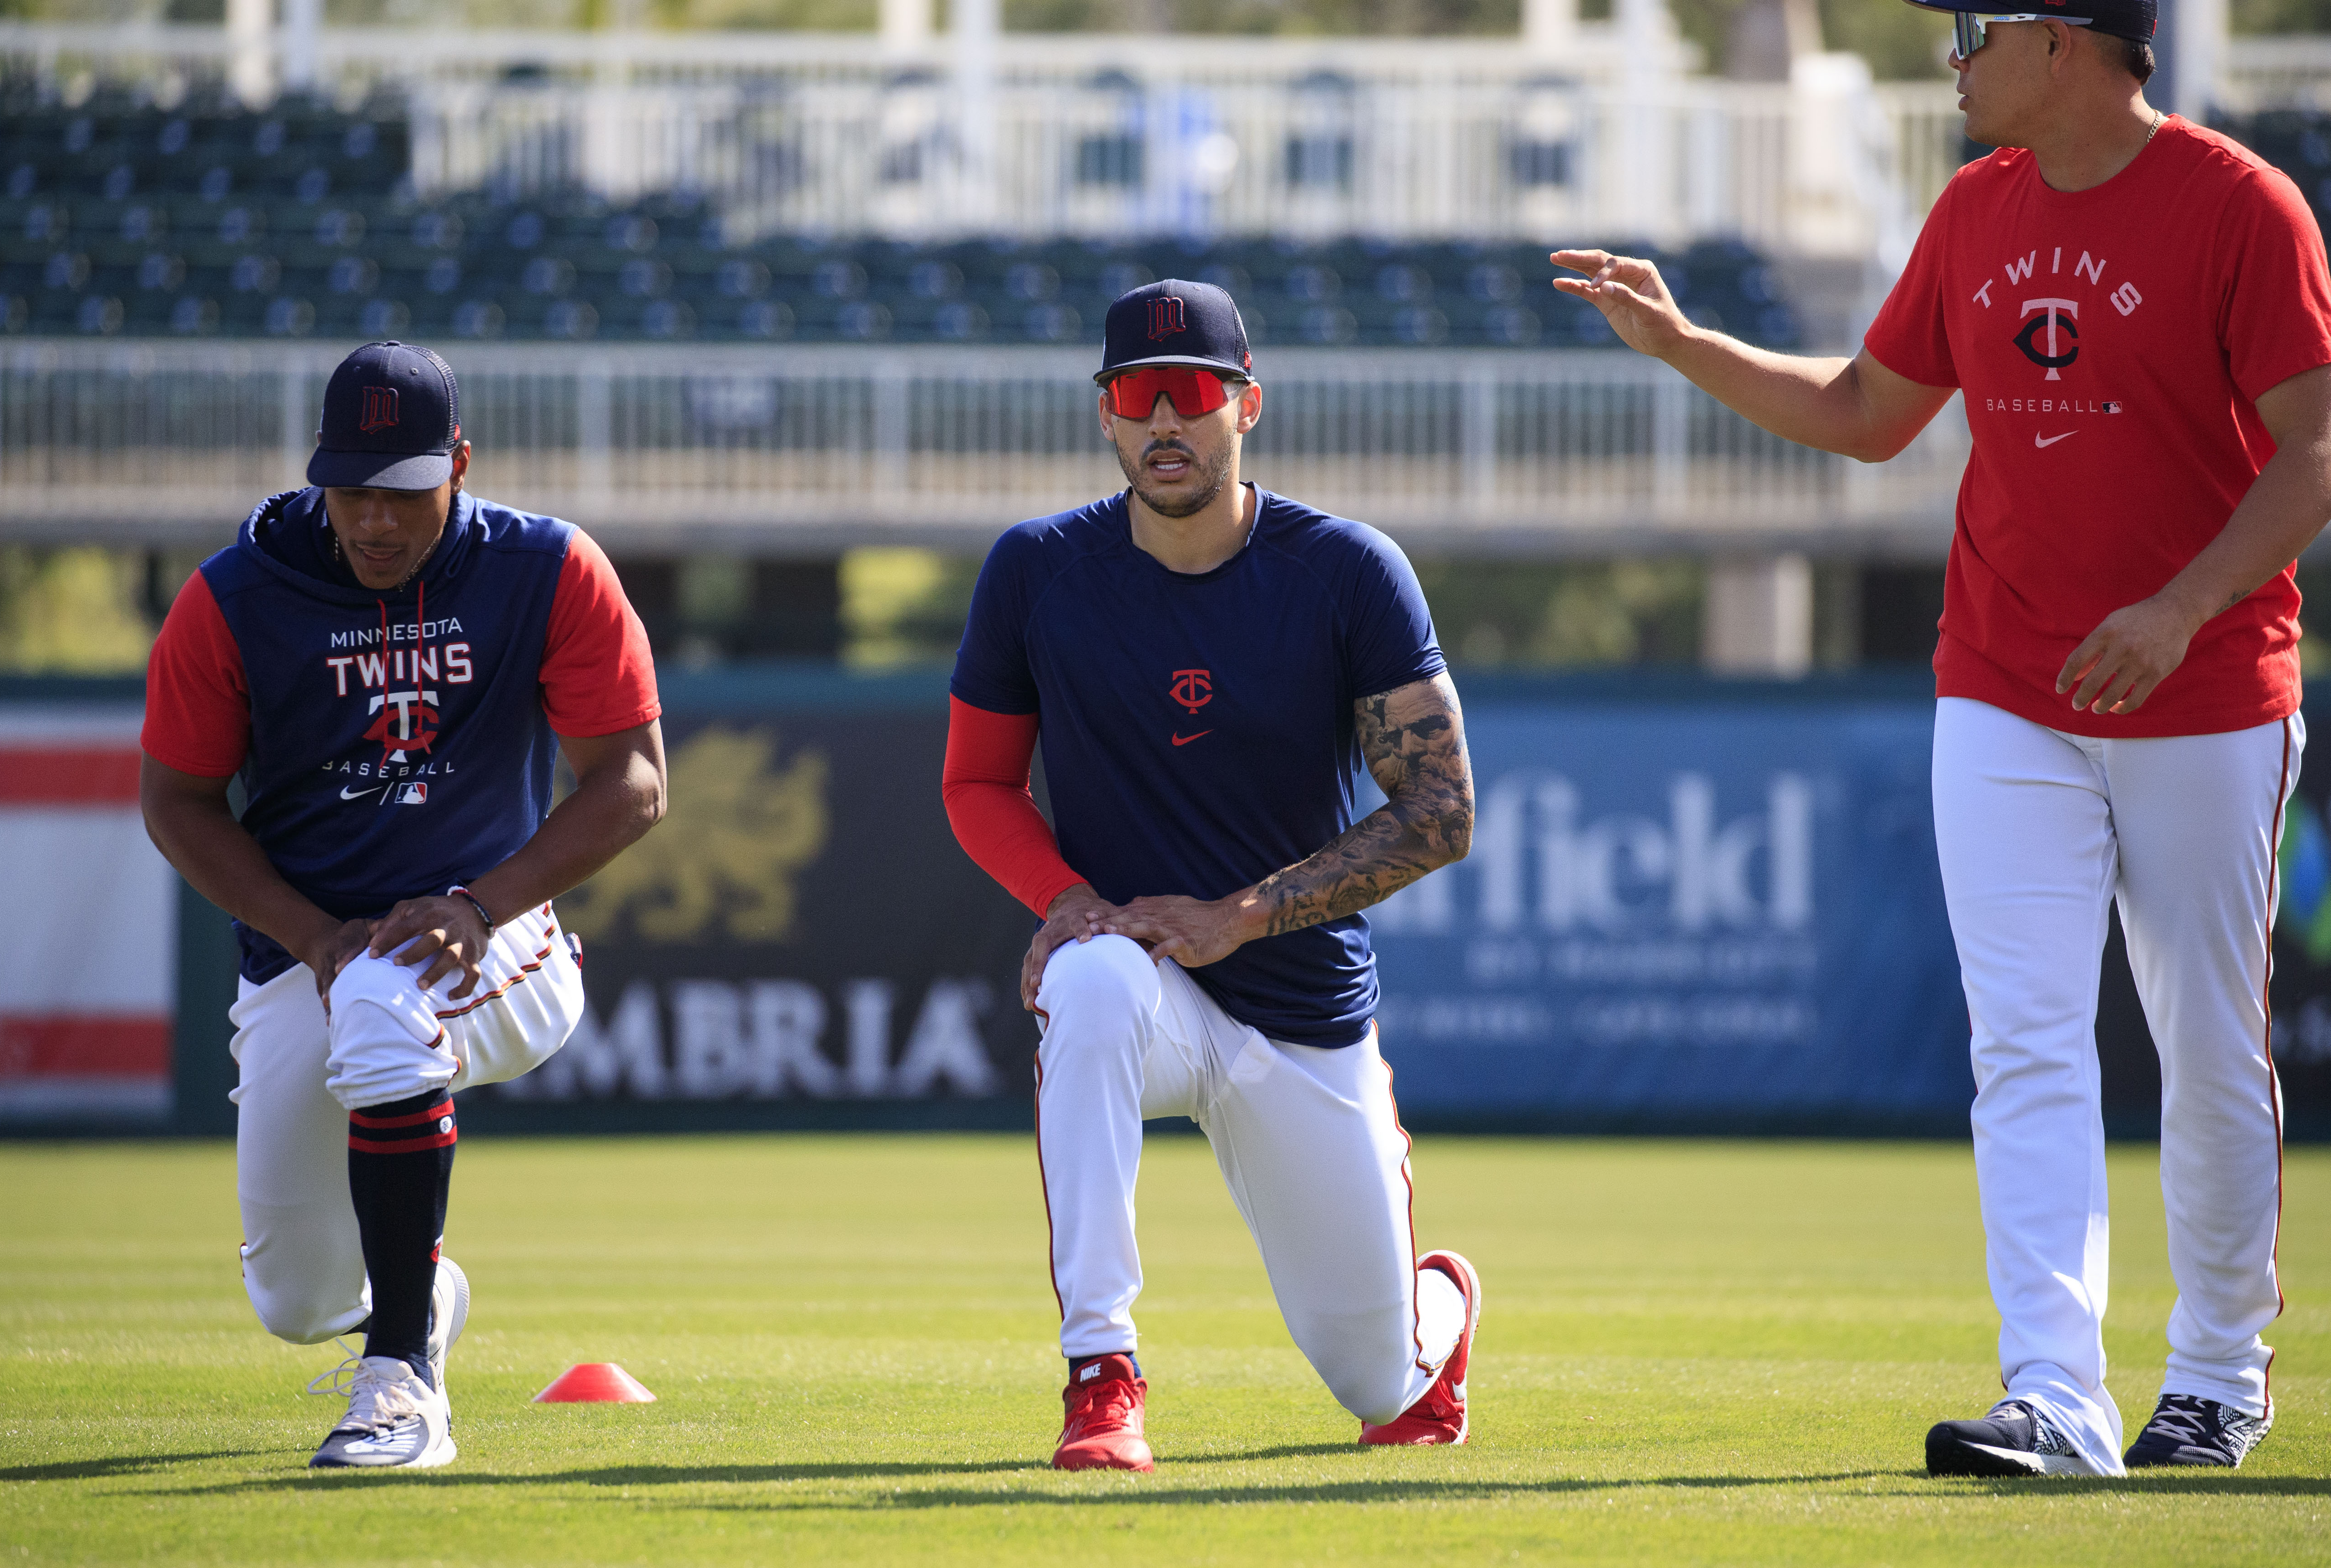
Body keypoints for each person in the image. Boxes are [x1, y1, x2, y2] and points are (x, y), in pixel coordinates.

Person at [1554, 0, 2331, 1476]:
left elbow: (2315, 449)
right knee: (2027, 1038)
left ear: (2073, 41)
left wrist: (2178, 608)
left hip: (2206, 680)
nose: (1950, 54)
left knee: (2208, 1043)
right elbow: (1864, 411)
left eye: (1973, 25)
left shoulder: (2245, 209)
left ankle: (2220, 1371)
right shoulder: (1976, 208)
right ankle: (2056, 1391)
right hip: (2000, 678)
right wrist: (1681, 345)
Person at [941, 280, 1482, 1471]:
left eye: (1193, 394)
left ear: (1248, 404)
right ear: (1106, 416)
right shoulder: (1036, 570)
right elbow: (976, 787)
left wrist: (1239, 917)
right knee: (1081, 984)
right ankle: (1102, 1372)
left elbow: (1441, 816)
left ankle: (1431, 1309)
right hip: (1145, 980)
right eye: (1138, 396)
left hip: (1297, 1011)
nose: (1164, 420)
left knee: (1381, 1382)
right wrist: (1068, 903)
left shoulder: (1345, 570)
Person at [139, 341, 666, 1469]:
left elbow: (634, 781)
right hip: (307, 946)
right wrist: (310, 933)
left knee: (386, 994)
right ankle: (416, 1290)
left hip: (501, 935)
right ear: (319, 474)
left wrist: (482, 901)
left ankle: (403, 1386)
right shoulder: (235, 595)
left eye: (404, 491)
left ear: (460, 466)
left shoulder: (549, 568)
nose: (375, 521)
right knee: (293, 1294)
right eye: (352, 490)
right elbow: (178, 803)